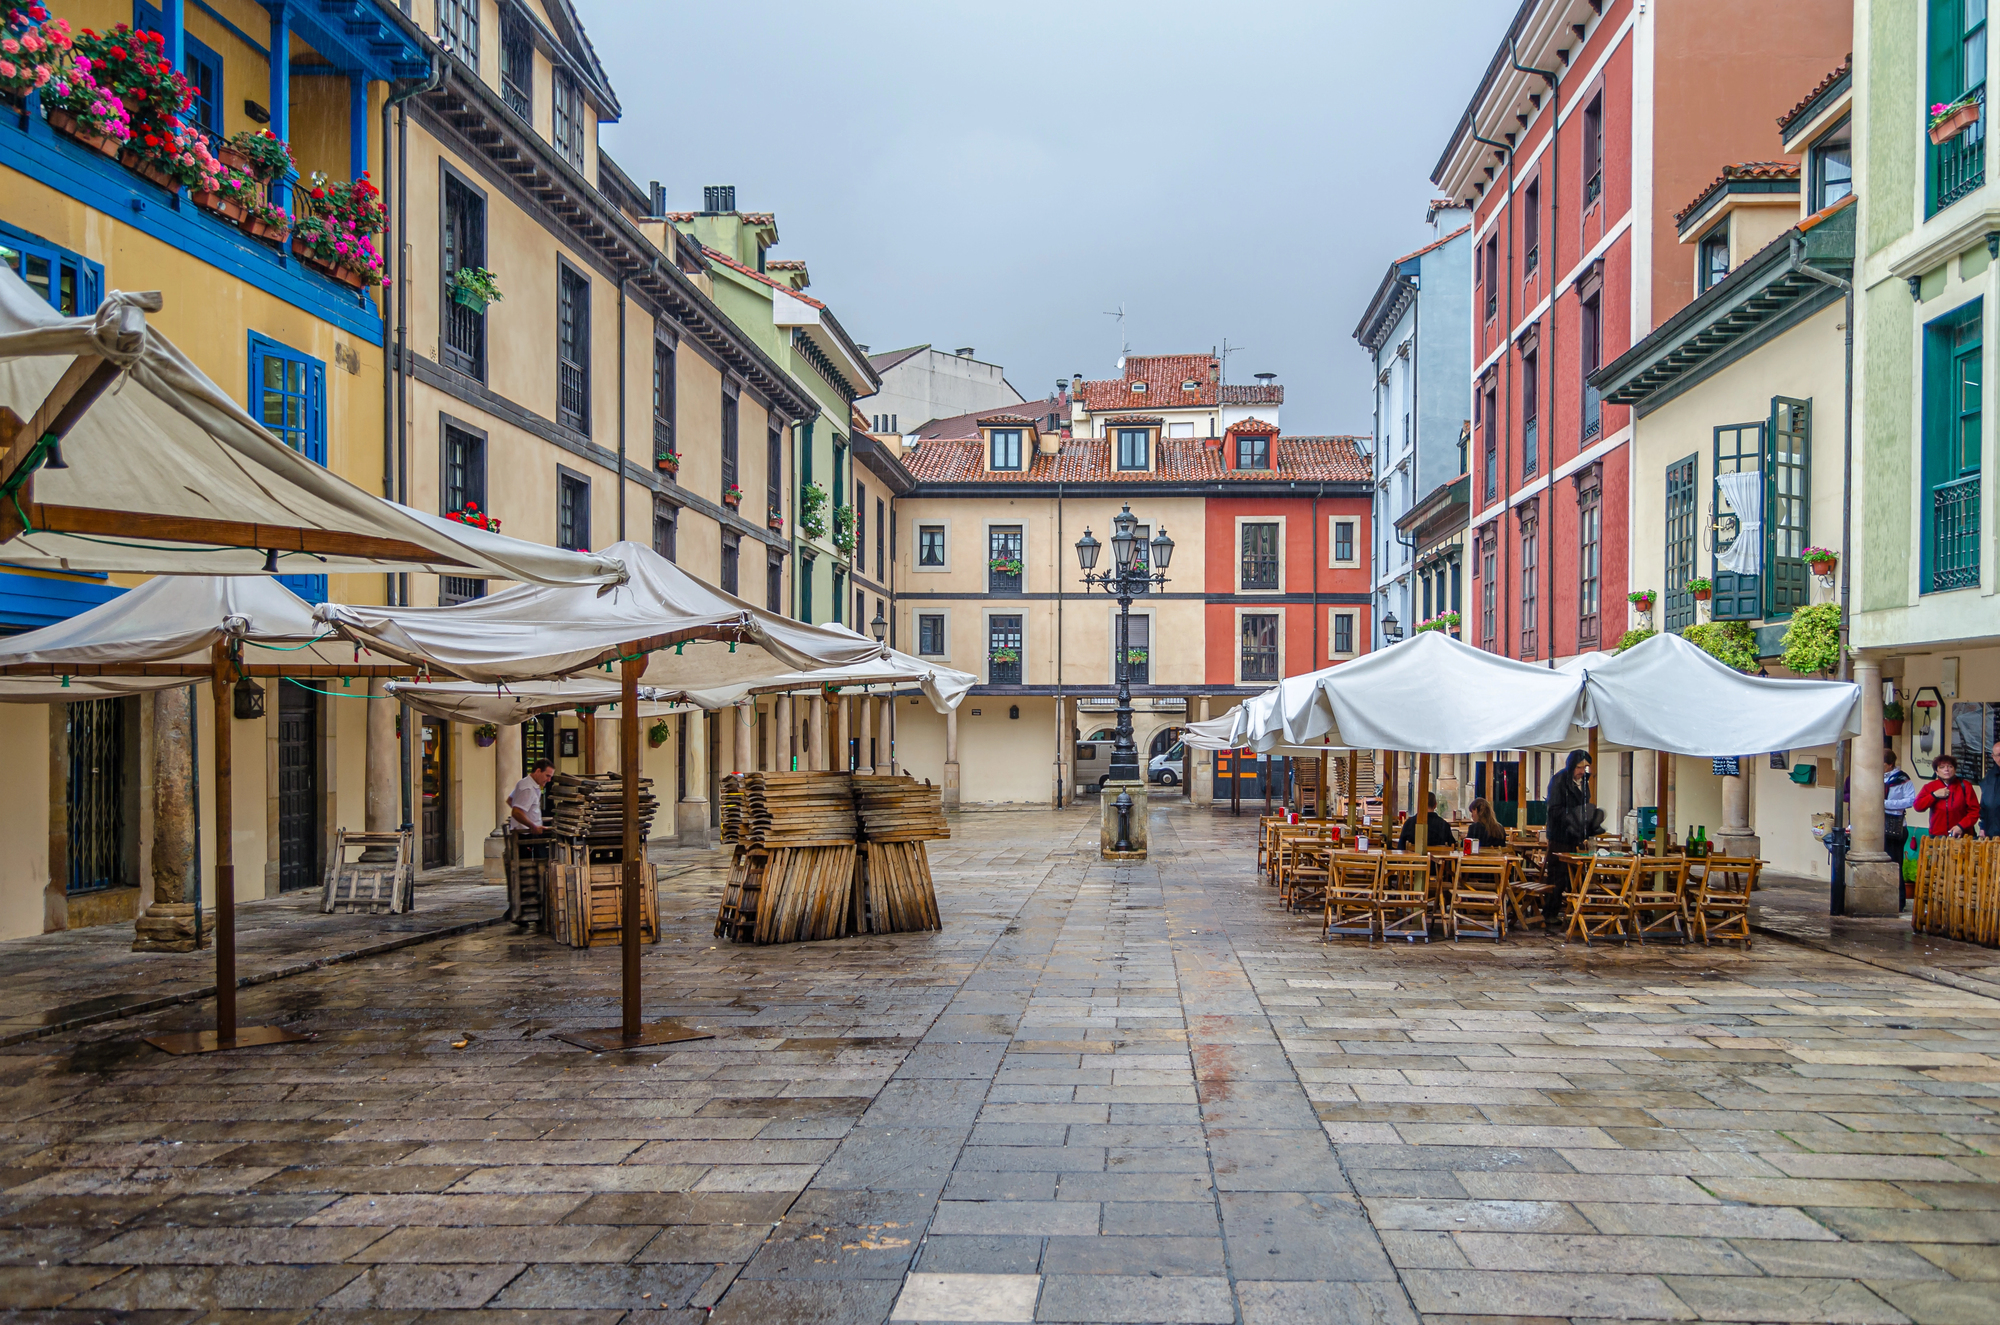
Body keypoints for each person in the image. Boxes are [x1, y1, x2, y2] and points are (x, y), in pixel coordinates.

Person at [1543, 750, 1603, 923]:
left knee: (1578, 876)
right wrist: (1574, 816)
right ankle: (1550, 913)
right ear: (1571, 766)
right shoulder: (1559, 780)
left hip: (1576, 837)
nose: (1582, 771)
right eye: (1579, 767)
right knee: (1557, 876)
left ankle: (1578, 911)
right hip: (1560, 836)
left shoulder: (1584, 782)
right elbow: (1554, 809)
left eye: (1585, 767)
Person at [1913, 754, 1980, 839]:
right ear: (1936, 771)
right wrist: (1934, 795)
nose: (1946, 770)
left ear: (1955, 769)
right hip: (1937, 837)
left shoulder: (1965, 786)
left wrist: (1961, 826)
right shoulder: (1930, 787)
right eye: (1942, 767)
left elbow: (1974, 811)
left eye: (1950, 766)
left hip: (1962, 836)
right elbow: (1918, 806)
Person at [1883, 747, 1916, 862]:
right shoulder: (1875, 777)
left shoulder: (1902, 779)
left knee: (1894, 860)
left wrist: (1886, 804)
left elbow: (1910, 800)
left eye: (1883, 764)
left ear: (1890, 764)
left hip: (1895, 825)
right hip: (1877, 825)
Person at [508, 758, 556, 834]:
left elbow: (510, 800)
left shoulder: (524, 782)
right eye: (547, 776)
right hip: (526, 833)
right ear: (538, 771)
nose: (549, 780)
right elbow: (516, 812)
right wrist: (532, 826)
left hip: (527, 831)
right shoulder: (528, 788)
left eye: (550, 777)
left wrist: (526, 814)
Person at [1979, 740, 2000, 840]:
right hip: (1991, 833)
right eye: (1999, 755)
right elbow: (1984, 804)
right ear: (1993, 757)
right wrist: (1982, 828)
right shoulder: (1989, 777)